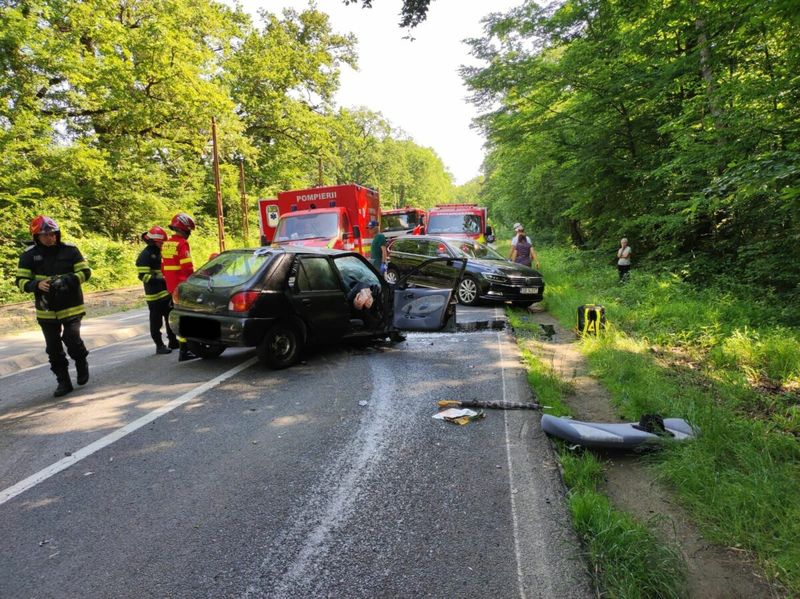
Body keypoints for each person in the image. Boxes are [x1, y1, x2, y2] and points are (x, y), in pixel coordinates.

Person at [15, 216, 91, 397]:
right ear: (36, 236)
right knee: (53, 348)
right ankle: (63, 382)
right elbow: (20, 281)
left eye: (53, 234)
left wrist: (68, 279)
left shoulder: (70, 250)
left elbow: (85, 272)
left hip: (71, 305)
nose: (50, 238)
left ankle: (81, 361)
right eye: (45, 235)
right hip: (46, 309)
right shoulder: (28, 255)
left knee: (72, 340)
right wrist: (36, 285)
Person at [136, 226, 178, 354]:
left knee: (169, 318)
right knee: (156, 322)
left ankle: (173, 341)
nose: (163, 245)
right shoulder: (145, 255)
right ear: (154, 241)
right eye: (161, 243)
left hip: (165, 293)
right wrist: (162, 280)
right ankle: (159, 346)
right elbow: (143, 276)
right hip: (154, 296)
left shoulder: (160, 252)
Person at [161, 212, 197, 361]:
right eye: (189, 230)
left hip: (171, 286)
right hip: (182, 286)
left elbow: (163, 267)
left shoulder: (166, 244)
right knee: (185, 318)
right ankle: (185, 350)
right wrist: (193, 282)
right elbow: (187, 267)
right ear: (184, 229)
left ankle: (184, 349)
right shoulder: (182, 244)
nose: (189, 233)